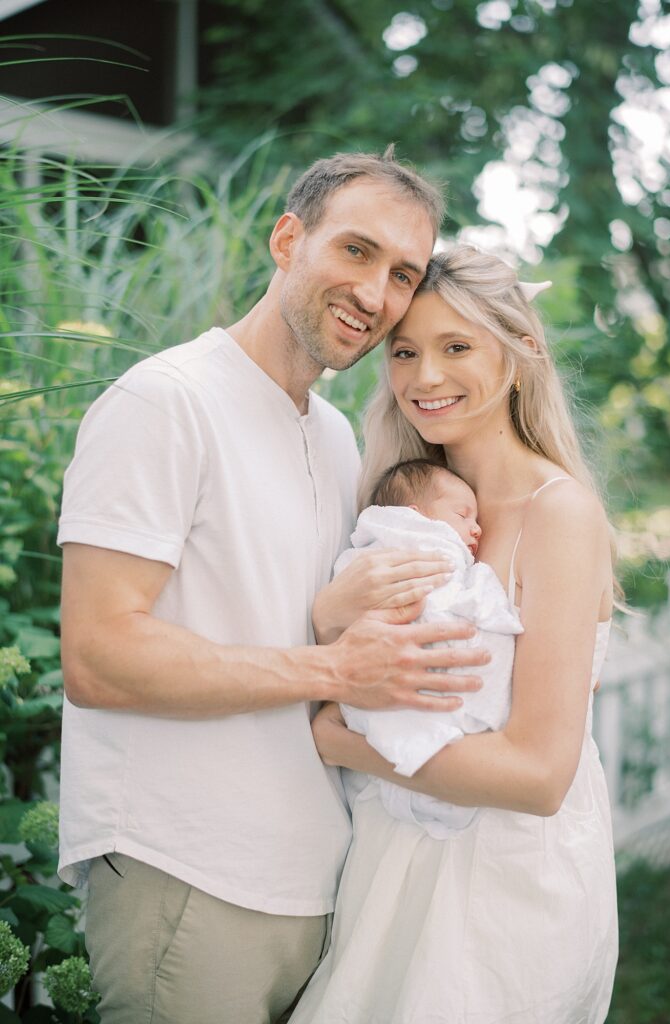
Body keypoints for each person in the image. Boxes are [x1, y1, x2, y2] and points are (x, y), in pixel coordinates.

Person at [56, 152, 490, 1024]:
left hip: (309, 885)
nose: (376, 293)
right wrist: (336, 672)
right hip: (187, 876)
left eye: (403, 274)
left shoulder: (332, 436)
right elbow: (99, 655)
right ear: (288, 238)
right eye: (357, 252)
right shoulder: (166, 402)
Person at [292, 245, 619, 1024]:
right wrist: (332, 616)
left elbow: (540, 776)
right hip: (390, 856)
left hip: (499, 885)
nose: (424, 378)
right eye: (405, 352)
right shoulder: (404, 509)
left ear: (520, 353)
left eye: (457, 347)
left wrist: (340, 742)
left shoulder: (557, 513)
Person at [337, 457, 523, 836]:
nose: (476, 529)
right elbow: (448, 603)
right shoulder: (409, 551)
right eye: (462, 514)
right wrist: (485, 593)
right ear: (415, 516)